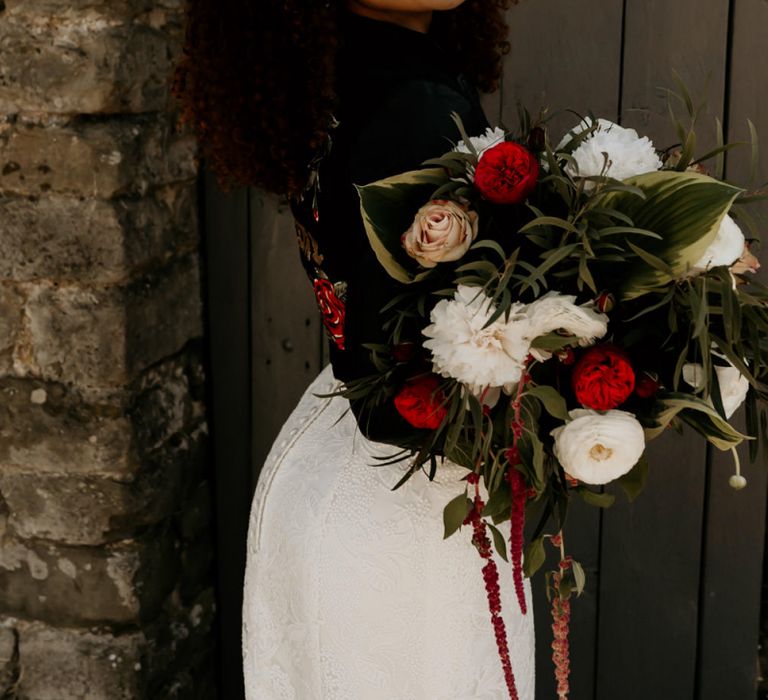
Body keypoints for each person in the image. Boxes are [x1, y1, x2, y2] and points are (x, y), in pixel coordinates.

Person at [174, 1, 535, 697]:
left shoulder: (348, 70)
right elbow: (431, 371)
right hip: (404, 514)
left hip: (341, 461)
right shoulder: (410, 99)